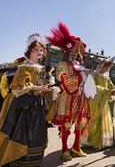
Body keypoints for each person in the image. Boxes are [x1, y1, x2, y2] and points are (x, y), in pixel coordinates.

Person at [0, 33, 58, 166]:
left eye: (41, 50)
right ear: (29, 51)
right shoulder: (23, 67)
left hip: (37, 104)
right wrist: (39, 88)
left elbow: (45, 84)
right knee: (21, 132)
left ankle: (34, 161)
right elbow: (17, 88)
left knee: (37, 133)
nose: (39, 52)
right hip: (24, 106)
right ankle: (19, 160)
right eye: (36, 50)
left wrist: (50, 89)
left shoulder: (42, 69)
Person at [46, 22, 91, 161]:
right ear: (66, 53)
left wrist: (88, 76)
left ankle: (76, 147)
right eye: (71, 53)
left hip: (80, 98)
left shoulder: (80, 65)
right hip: (67, 98)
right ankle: (64, 149)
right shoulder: (62, 64)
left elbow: (85, 80)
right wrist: (80, 76)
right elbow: (63, 79)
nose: (73, 55)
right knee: (66, 125)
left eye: (75, 53)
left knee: (80, 122)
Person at [86, 57, 115, 150]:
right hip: (96, 102)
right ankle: (92, 141)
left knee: (105, 121)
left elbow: (111, 87)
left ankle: (103, 142)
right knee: (95, 120)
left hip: (105, 102)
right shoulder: (94, 75)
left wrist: (113, 91)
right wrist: (105, 90)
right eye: (105, 67)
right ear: (101, 66)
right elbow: (91, 87)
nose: (107, 70)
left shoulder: (107, 77)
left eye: (108, 68)